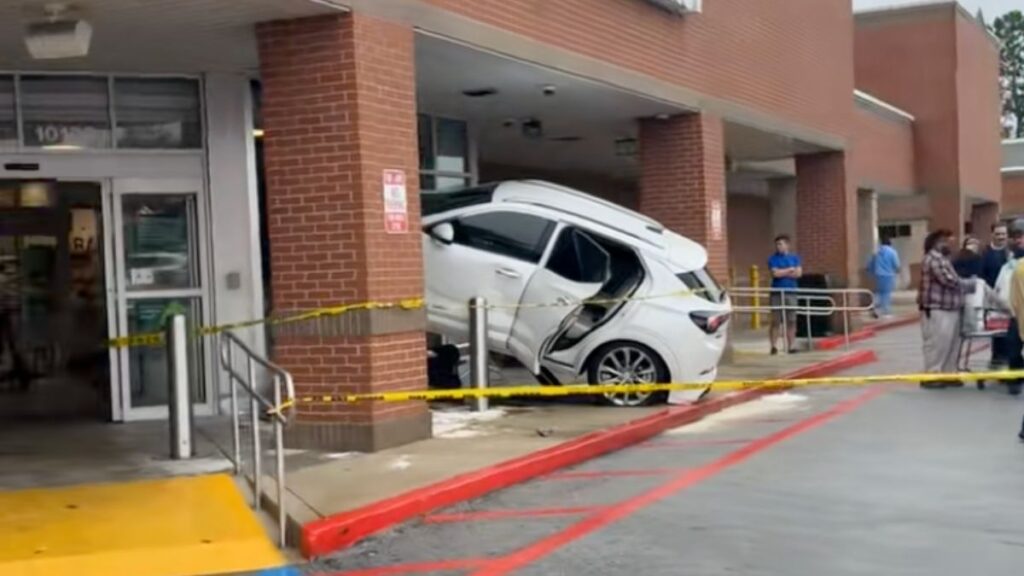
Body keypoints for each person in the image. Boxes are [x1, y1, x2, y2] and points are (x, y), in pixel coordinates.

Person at [917, 229, 975, 389]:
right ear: (938, 242)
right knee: (938, 344)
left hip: (950, 308)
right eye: (948, 240)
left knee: (952, 344)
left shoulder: (943, 259)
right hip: (937, 308)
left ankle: (949, 373)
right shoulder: (933, 259)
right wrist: (972, 284)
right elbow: (949, 281)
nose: (952, 243)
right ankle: (932, 375)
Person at [982, 223, 1011, 368]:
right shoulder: (985, 254)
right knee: (997, 333)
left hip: (1011, 300)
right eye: (998, 234)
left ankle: (1010, 361)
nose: (1001, 237)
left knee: (1011, 333)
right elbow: (982, 278)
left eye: (1003, 234)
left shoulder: (1011, 253)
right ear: (992, 234)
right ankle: (997, 360)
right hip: (992, 301)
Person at [768, 235, 802, 355]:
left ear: (787, 245)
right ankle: (773, 346)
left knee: (791, 320)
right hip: (777, 293)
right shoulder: (772, 259)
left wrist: (783, 272)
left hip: (791, 292)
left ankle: (791, 345)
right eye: (777, 244)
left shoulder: (795, 258)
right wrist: (789, 270)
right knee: (776, 321)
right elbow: (775, 274)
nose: (778, 247)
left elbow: (798, 274)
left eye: (781, 244)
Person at [868, 235, 900, 318]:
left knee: (879, 292)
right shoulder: (892, 252)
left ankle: (874, 307)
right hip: (888, 275)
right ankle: (886, 311)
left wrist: (871, 274)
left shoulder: (877, 252)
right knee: (886, 293)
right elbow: (896, 264)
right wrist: (897, 271)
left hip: (878, 275)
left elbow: (871, 264)